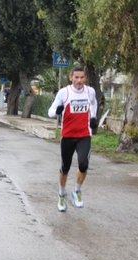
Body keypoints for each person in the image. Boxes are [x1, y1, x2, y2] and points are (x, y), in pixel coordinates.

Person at [48, 66, 98, 212]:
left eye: (82, 77)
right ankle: (62, 194)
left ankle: (76, 191)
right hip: (68, 135)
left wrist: (93, 117)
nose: (79, 80)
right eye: (76, 77)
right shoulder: (64, 93)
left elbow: (93, 103)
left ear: (85, 78)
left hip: (84, 134)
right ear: (71, 78)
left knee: (83, 164)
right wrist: (56, 112)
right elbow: (50, 111)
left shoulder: (90, 91)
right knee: (65, 167)